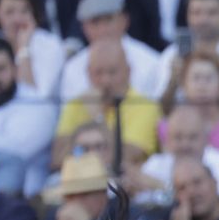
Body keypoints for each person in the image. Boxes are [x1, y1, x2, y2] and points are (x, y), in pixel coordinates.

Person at [53, 40, 160, 168]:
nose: (106, 81)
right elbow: (57, 159)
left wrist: (98, 119)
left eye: (112, 72)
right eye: (99, 73)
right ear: (88, 74)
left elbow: (126, 157)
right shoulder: (76, 104)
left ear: (128, 71)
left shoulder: (144, 106)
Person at [0, 34, 55, 193]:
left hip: (21, 199)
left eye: (0, 69)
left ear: (15, 69)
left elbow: (4, 155)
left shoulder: (37, 105)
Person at [57, 0, 162, 98]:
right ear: (84, 28)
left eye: (108, 20)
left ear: (124, 20)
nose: (103, 30)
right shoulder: (72, 69)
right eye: (95, 22)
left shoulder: (150, 62)